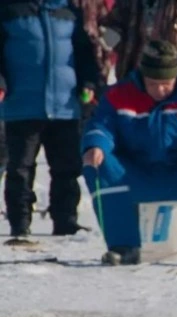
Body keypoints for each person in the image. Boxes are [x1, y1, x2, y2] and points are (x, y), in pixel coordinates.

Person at [80, 40, 177, 265]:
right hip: (136, 174)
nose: (160, 89)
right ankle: (124, 247)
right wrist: (95, 146)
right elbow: (101, 125)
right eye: (153, 83)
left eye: (166, 83)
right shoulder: (119, 95)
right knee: (98, 164)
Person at [0, 0, 102, 237]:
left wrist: (88, 83)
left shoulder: (69, 11)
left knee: (66, 168)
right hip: (22, 104)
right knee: (21, 168)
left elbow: (84, 53)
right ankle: (20, 223)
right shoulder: (9, 10)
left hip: (65, 105)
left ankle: (66, 221)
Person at [101, 0, 177, 88]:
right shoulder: (130, 2)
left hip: (174, 87)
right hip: (134, 83)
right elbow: (114, 25)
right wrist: (109, 36)